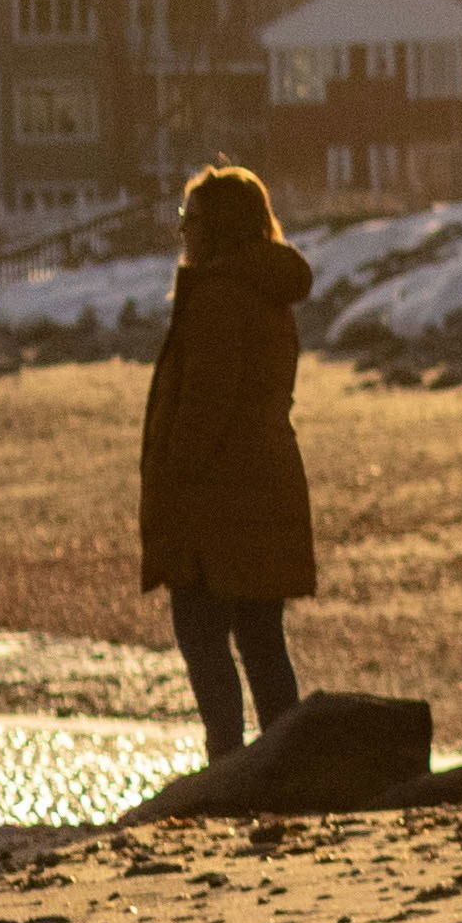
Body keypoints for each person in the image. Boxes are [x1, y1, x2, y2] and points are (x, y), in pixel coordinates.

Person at [135, 162, 318, 763]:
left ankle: (229, 763)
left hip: (219, 499)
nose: (182, 231)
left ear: (216, 229)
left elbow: (205, 406)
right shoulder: (264, 289)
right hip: (265, 485)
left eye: (191, 220)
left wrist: (172, 480)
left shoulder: (218, 296)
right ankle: (284, 762)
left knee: (201, 631)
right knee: (261, 637)